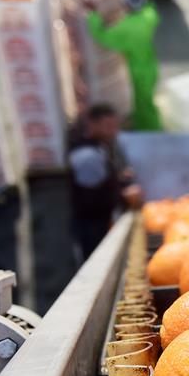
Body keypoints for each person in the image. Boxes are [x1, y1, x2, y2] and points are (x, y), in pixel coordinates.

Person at [68, 104, 142, 259]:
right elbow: (91, 197)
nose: (113, 131)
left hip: (98, 222)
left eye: (115, 126)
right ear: (92, 124)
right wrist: (122, 195)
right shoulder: (87, 155)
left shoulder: (100, 148)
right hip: (91, 225)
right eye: (107, 126)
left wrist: (118, 178)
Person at [87, 0, 163, 131]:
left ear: (126, 5)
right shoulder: (148, 17)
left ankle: (151, 130)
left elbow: (103, 36)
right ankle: (143, 126)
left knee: (144, 104)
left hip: (138, 70)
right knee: (145, 100)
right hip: (151, 66)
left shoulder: (125, 28)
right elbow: (151, 8)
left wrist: (94, 15)